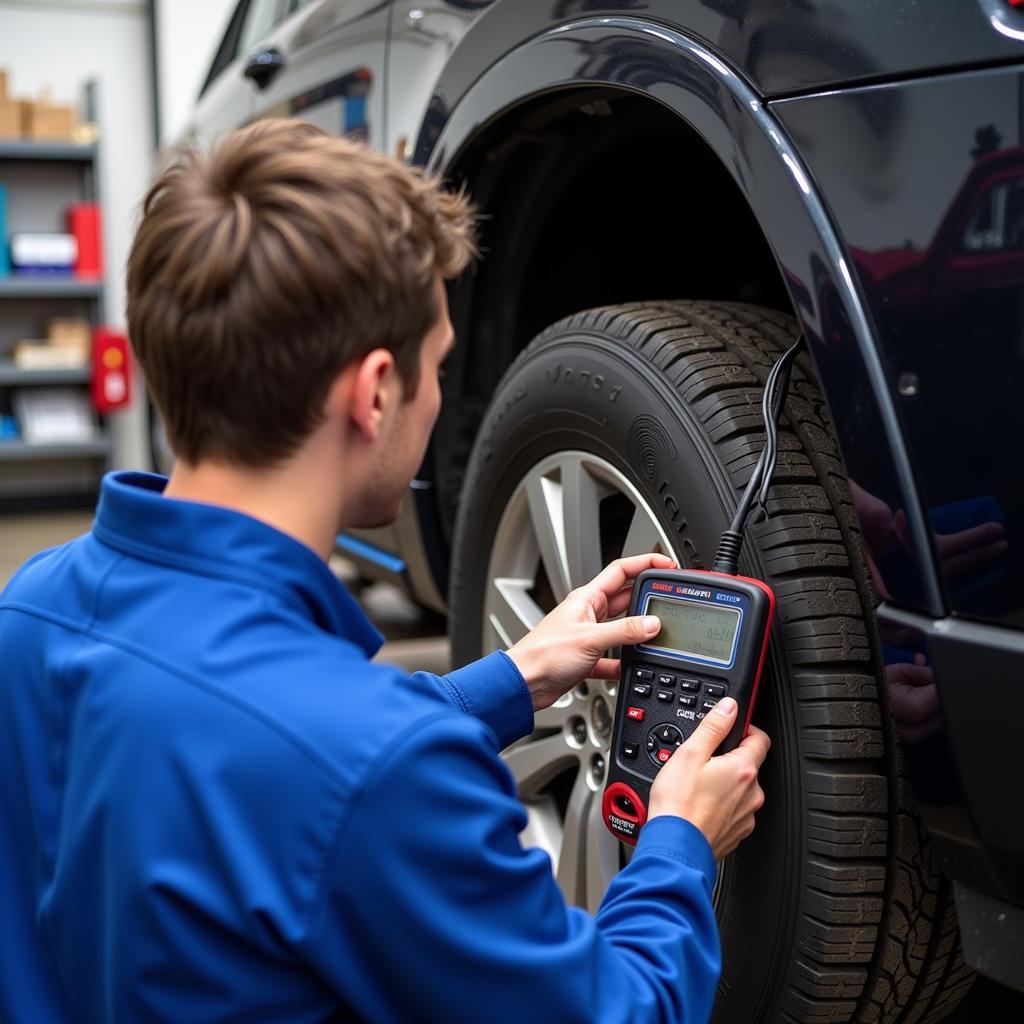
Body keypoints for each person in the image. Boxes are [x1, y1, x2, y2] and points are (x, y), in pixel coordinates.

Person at [0, 120, 769, 1023]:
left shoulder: (30, 609)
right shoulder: (380, 769)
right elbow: (620, 1011)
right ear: (371, 392)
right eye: (438, 364)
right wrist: (679, 844)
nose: (441, 395)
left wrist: (510, 682)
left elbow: (256, 751)